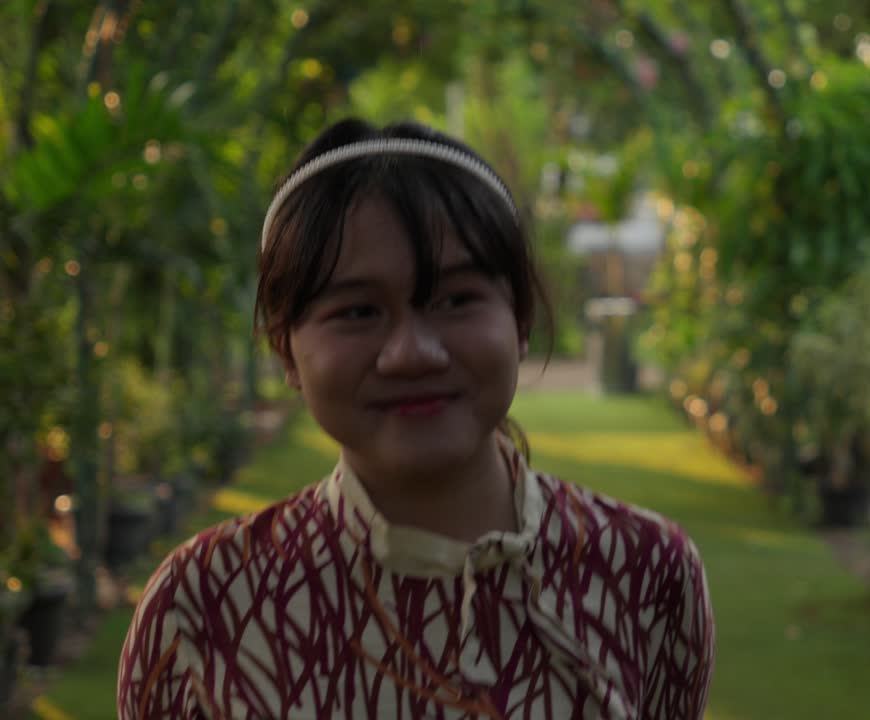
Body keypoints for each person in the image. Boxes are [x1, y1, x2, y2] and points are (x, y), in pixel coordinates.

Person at [117, 118, 715, 719]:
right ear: (285, 350)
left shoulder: (645, 571)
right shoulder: (205, 601)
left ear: (521, 319)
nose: (412, 352)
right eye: (357, 311)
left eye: (456, 300)